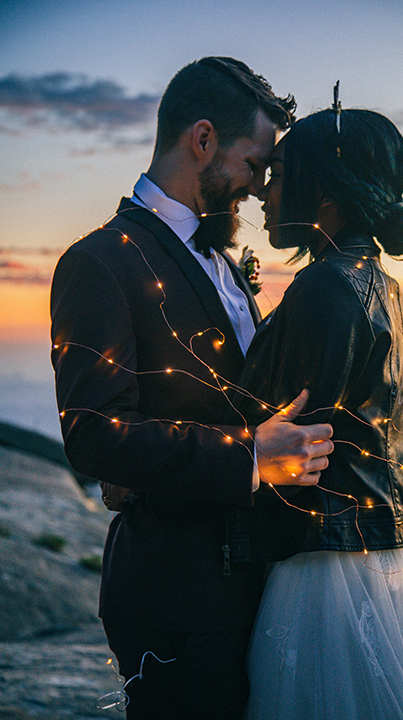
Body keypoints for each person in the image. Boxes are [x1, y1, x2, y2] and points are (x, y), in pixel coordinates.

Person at [50, 57, 334, 720]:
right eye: (255, 163)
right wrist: (250, 457)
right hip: (173, 594)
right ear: (201, 140)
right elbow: (92, 431)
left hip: (251, 581)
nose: (262, 188)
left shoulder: (226, 260)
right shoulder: (101, 261)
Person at [229, 105, 403, 719]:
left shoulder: (324, 288)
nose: (265, 190)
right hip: (386, 547)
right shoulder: (379, 283)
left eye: (282, 174)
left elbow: (287, 428)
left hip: (328, 563)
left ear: (327, 195)